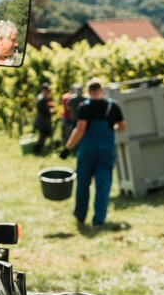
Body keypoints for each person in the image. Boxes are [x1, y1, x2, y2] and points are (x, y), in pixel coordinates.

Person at [60, 78, 126, 227]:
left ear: (89, 92)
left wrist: (67, 148)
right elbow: (122, 127)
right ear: (101, 91)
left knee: (83, 183)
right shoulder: (113, 106)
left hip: (87, 151)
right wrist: (111, 128)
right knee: (103, 185)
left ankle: (80, 215)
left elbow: (80, 129)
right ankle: (99, 220)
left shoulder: (84, 107)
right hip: (106, 152)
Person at [33, 83, 54, 154]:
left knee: (44, 135)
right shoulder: (41, 99)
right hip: (42, 120)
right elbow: (44, 110)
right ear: (44, 90)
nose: (48, 92)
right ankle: (37, 150)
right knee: (42, 135)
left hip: (43, 119)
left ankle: (39, 150)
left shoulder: (44, 97)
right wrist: (51, 111)